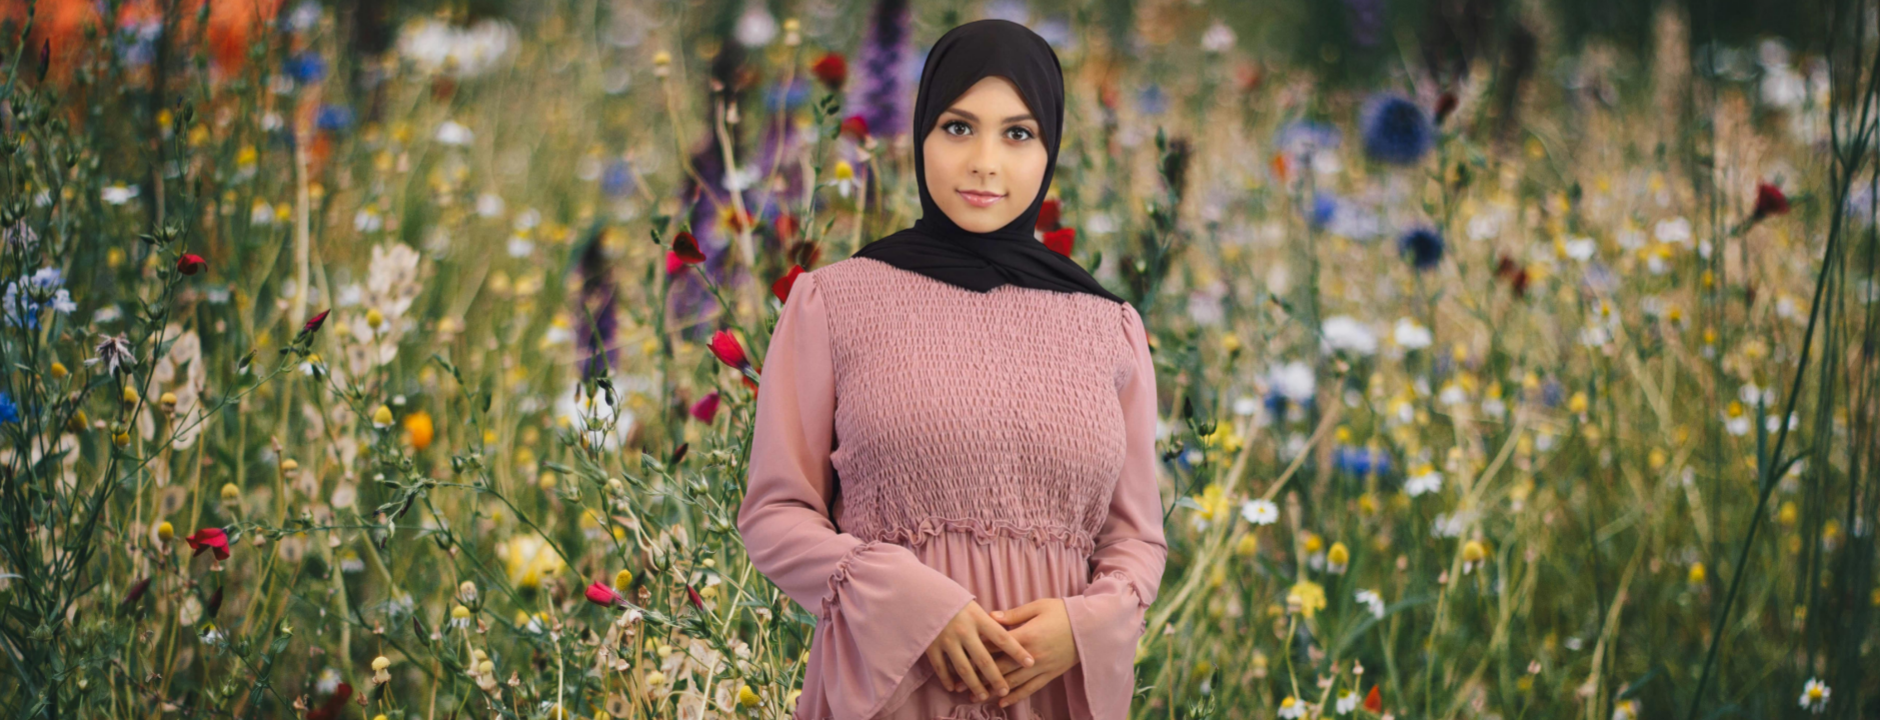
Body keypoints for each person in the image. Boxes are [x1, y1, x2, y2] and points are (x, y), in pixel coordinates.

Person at [737, 18, 1167, 720]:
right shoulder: (835, 302)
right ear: (920, 133)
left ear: (1051, 146)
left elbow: (1135, 539)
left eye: (1018, 134)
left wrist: (1083, 627)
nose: (985, 162)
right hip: (892, 687)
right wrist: (906, 603)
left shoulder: (1107, 325)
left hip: (1048, 694)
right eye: (959, 128)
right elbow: (775, 514)